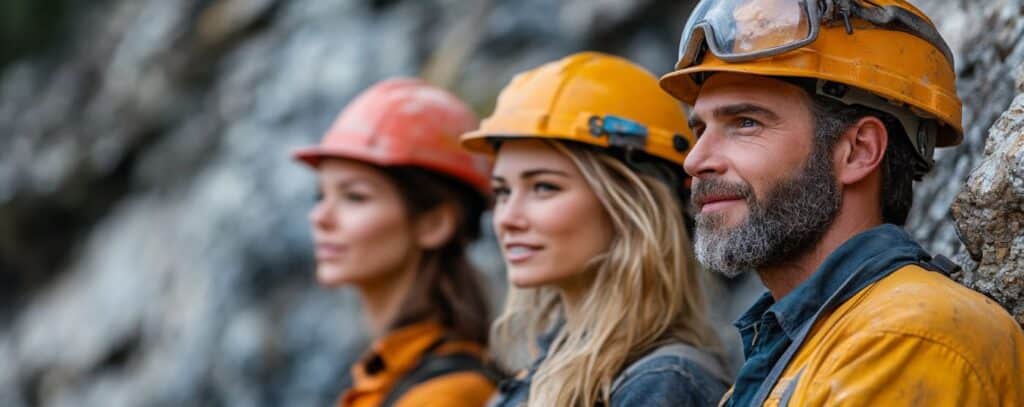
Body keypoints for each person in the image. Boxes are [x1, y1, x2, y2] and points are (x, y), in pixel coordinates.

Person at [659, 0, 1024, 405]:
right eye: (700, 130)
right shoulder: (799, 350)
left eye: (746, 123)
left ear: (858, 151)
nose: (695, 161)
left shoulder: (910, 339)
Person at [461, 52, 730, 406]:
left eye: (544, 187)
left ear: (632, 205)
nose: (507, 217)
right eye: (502, 191)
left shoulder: (663, 386)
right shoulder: (539, 375)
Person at [294, 78, 499, 407]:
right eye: (320, 196)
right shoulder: (388, 375)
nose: (320, 217)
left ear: (434, 223)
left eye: (354, 197)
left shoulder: (445, 394)